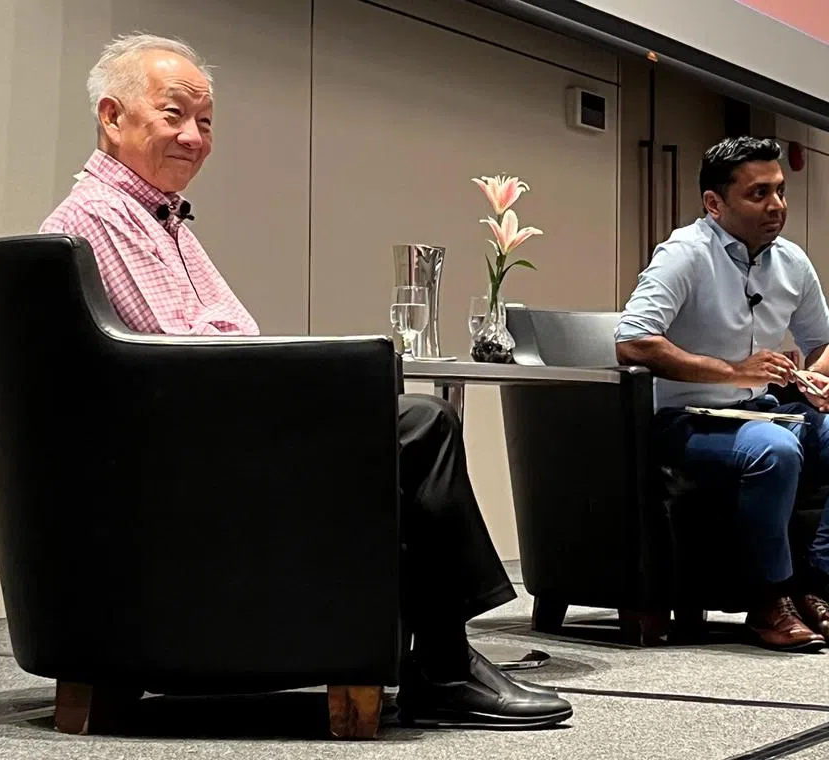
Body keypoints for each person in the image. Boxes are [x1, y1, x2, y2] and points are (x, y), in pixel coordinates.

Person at [40, 33, 572, 728]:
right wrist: (316, 383)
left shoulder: (157, 217)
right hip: (179, 465)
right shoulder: (99, 218)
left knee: (407, 426)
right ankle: (444, 664)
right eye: (175, 116)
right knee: (421, 421)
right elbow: (189, 359)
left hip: (195, 439)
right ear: (112, 117)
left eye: (205, 122)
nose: (195, 138)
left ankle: (444, 658)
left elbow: (223, 339)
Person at [615, 136, 829, 653]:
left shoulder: (791, 261)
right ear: (714, 203)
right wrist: (731, 371)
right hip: (687, 420)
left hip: (764, 412)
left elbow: (826, 341)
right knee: (777, 450)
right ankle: (767, 599)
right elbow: (633, 340)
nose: (777, 206)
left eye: (781, 191)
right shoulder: (685, 254)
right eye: (759, 194)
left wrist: (817, 378)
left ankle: (815, 590)